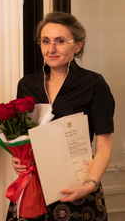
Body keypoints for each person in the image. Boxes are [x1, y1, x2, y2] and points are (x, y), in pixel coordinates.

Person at [7, 12, 114, 220]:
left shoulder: (94, 85)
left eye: (60, 41)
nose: (51, 49)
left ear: (78, 45)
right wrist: (17, 158)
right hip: (33, 185)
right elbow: (23, 137)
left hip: (77, 187)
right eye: (45, 41)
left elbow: (104, 146)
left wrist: (90, 185)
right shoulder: (27, 84)